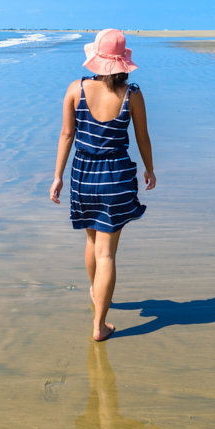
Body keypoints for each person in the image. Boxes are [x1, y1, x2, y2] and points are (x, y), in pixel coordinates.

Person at [50, 29, 156, 341]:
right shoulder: (132, 94)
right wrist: (149, 169)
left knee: (91, 242)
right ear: (124, 63)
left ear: (95, 60)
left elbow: (66, 136)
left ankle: (97, 293)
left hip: (83, 175)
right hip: (117, 177)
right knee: (107, 253)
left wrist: (58, 176)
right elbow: (142, 137)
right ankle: (99, 325)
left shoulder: (75, 89)